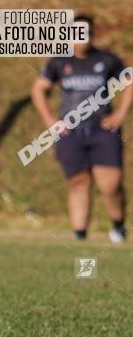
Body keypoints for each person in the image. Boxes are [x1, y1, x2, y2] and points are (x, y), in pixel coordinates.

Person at [30, 14, 130, 243]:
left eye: (86, 32)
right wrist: (49, 120)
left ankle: (117, 225)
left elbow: (128, 82)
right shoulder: (59, 62)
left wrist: (120, 114)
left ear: (93, 35)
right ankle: (79, 235)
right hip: (70, 132)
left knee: (110, 184)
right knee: (78, 182)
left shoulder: (108, 60)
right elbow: (38, 89)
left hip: (103, 130)